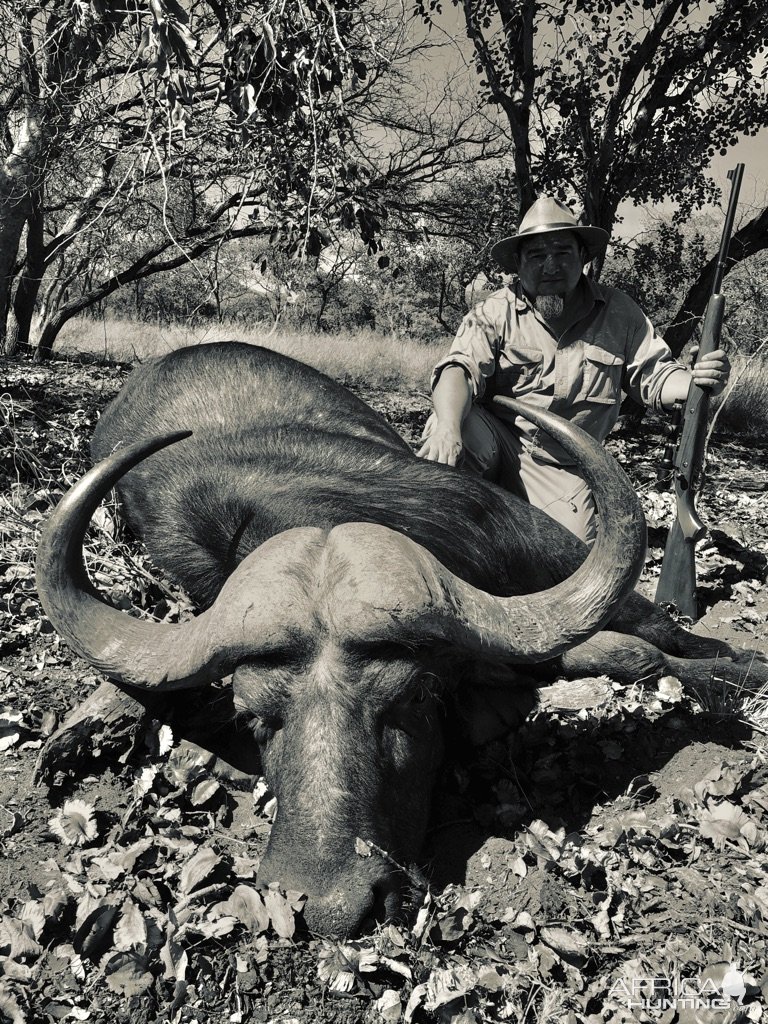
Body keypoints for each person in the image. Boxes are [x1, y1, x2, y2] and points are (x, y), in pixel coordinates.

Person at [418, 196, 730, 544]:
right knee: (452, 437)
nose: (550, 266)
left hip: (563, 465)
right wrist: (447, 429)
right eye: (536, 255)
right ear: (518, 265)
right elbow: (457, 369)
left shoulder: (620, 312)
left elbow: (656, 376)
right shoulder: (493, 311)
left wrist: (700, 381)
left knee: (573, 553)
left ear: (583, 258)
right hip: (498, 443)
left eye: (563, 253)